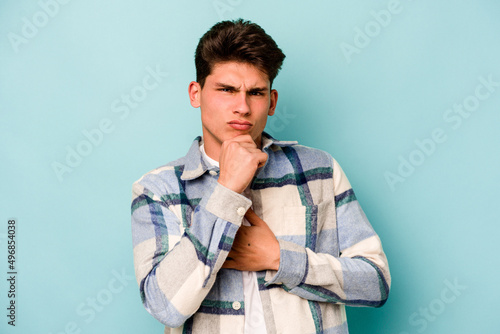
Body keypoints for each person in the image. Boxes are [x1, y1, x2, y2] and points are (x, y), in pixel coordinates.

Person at [131, 18, 391, 334]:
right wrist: (226, 190)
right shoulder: (158, 189)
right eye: (226, 89)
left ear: (272, 101)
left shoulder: (319, 171)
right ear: (196, 94)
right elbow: (164, 307)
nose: (242, 106)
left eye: (255, 92)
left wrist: (280, 258)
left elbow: (375, 282)